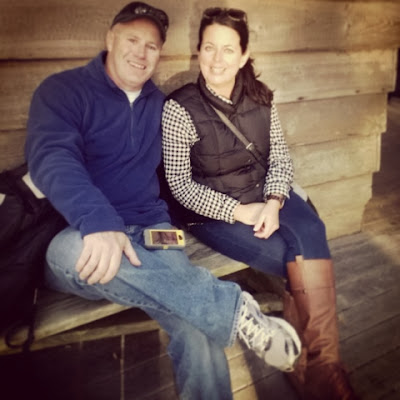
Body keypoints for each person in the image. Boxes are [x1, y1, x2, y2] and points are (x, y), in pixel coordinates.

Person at [24, 2, 301, 399]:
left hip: (152, 230)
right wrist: (100, 222)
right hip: (79, 231)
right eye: (132, 39)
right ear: (110, 39)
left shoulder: (160, 105)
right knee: (96, 258)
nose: (141, 53)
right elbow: (52, 158)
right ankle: (235, 310)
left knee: (194, 318)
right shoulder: (64, 91)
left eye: (152, 46)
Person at [162, 7, 358, 400]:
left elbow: (280, 158)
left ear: (244, 55)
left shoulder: (261, 97)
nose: (217, 59)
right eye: (209, 48)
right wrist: (239, 211)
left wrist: (273, 201)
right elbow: (180, 187)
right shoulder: (179, 109)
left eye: (228, 49)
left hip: (264, 194)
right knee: (295, 258)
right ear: (198, 51)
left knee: (311, 231)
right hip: (212, 213)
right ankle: (312, 370)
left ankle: (320, 368)